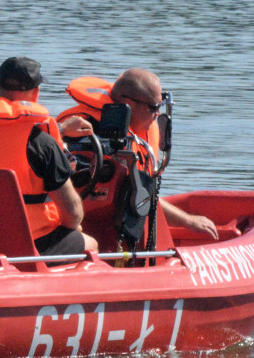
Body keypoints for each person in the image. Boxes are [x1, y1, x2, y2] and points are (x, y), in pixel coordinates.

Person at [0, 57, 98, 256]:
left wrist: (59, 130)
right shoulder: (42, 143)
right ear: (36, 93)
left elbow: (1, 144)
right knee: (90, 243)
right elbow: (72, 215)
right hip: (26, 245)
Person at [58, 68, 218, 239]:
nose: (157, 114)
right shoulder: (84, 137)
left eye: (160, 106)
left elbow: (140, 193)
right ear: (128, 103)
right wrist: (187, 221)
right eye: (153, 107)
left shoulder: (132, 135)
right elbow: (135, 194)